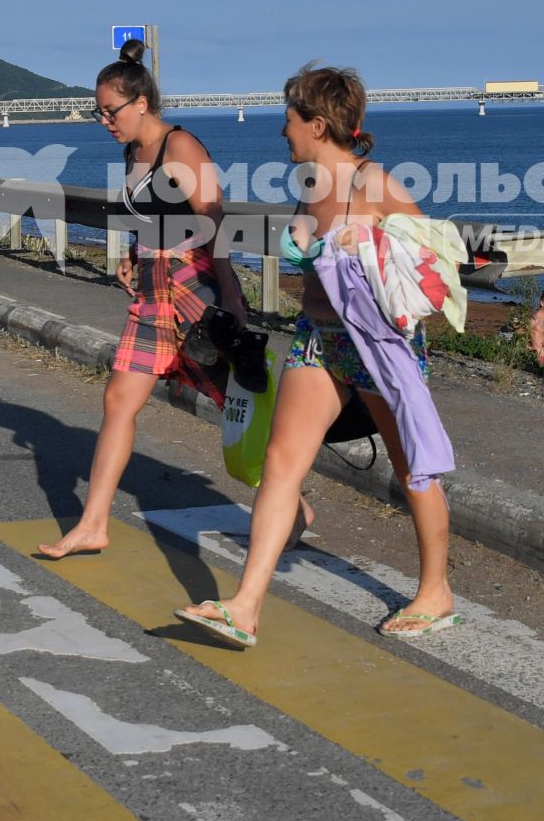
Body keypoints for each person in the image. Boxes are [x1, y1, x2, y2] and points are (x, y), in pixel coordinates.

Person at [178, 65, 457, 645]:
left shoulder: (370, 183)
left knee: (412, 470)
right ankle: (246, 607)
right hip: (319, 337)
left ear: (318, 124)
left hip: (376, 342)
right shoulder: (311, 186)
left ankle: (436, 592)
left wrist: (371, 241)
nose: (283, 132)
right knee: (281, 463)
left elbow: (433, 253)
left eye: (289, 119)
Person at [37, 41, 247, 559]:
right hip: (153, 290)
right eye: (99, 112)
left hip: (194, 287)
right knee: (118, 400)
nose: (105, 121)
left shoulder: (182, 149)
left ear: (142, 104)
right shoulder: (133, 153)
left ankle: (291, 507)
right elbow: (149, 217)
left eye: (111, 111)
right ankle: (93, 524)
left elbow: (215, 227)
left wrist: (233, 301)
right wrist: (135, 256)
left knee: (236, 402)